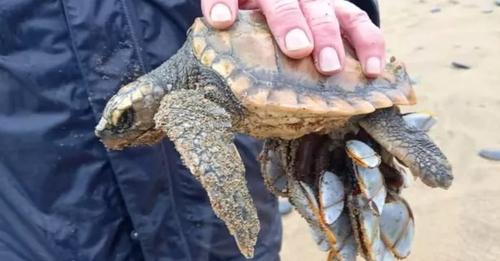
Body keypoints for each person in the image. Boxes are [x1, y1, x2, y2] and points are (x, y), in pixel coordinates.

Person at [0, 0, 383, 260]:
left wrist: (317, 20)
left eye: (125, 119)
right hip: (37, 229)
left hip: (216, 233)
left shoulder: (182, 102)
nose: (114, 132)